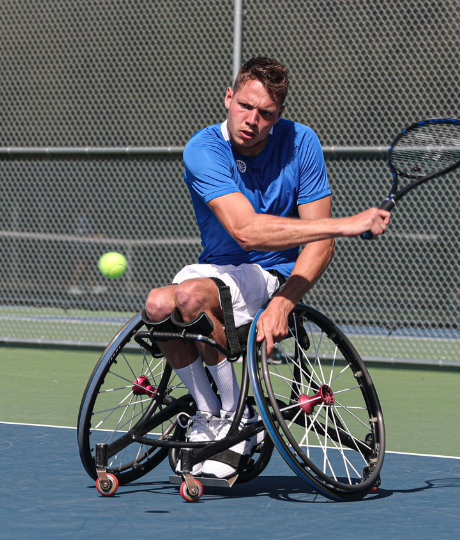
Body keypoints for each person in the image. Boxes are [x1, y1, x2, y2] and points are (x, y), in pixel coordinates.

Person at [145, 57, 390, 479]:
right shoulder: (203, 149)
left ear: (278, 116)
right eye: (245, 106)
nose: (252, 120)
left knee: (189, 295)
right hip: (221, 271)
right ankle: (214, 415)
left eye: (266, 114)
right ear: (228, 97)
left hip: (273, 276)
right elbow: (245, 231)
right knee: (156, 305)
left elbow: (319, 244)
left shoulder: (302, 143)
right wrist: (348, 224)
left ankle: (234, 421)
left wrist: (284, 302)